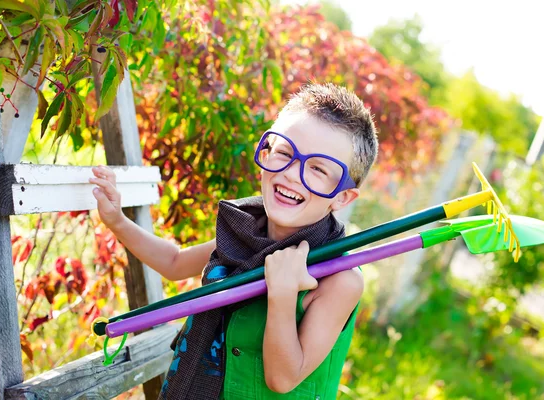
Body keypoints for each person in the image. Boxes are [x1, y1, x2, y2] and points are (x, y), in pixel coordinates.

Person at [90, 83, 378, 399]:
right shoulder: (243, 232)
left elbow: (283, 379)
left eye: (319, 169)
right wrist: (117, 220)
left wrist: (282, 294)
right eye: (283, 152)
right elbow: (174, 263)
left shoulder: (340, 279)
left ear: (343, 197)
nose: (292, 174)